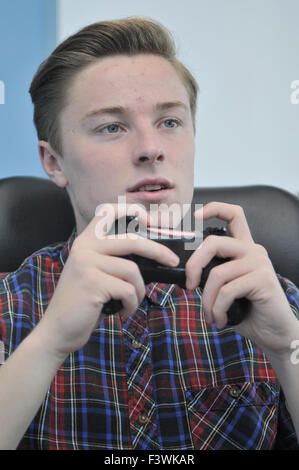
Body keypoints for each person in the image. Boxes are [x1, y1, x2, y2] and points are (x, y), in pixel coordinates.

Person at [0, 16, 298, 451]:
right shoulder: (9, 309)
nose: (150, 148)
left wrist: (286, 345)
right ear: (54, 162)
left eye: (170, 122)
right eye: (111, 127)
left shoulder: (276, 300)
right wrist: (47, 345)